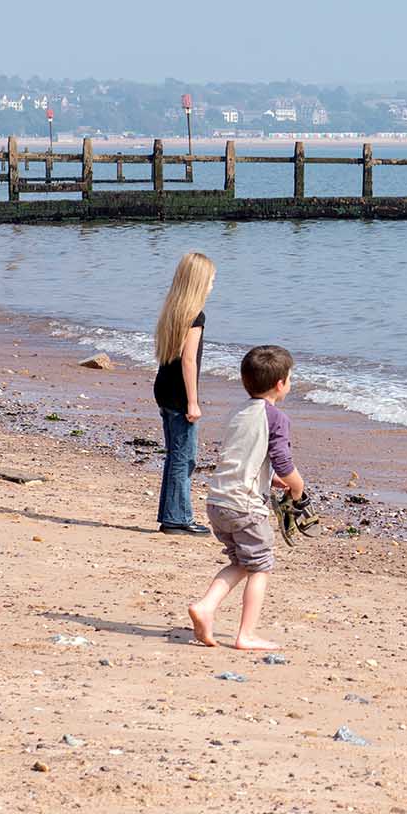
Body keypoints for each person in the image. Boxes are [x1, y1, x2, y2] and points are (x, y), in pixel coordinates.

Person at [187, 345, 302, 651]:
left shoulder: (237, 411)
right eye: (290, 377)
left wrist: (271, 480)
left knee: (241, 562)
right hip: (246, 506)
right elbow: (283, 462)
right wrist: (297, 486)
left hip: (218, 501)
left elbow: (246, 456)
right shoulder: (276, 417)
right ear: (281, 384)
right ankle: (246, 634)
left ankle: (206, 606)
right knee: (261, 567)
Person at [151, 251, 217, 534]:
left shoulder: (172, 309)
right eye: (211, 281)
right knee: (184, 457)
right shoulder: (195, 316)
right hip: (179, 394)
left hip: (163, 387)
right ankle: (178, 518)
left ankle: (170, 515)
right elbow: (188, 360)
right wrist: (193, 402)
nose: (213, 286)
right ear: (199, 283)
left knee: (174, 454)